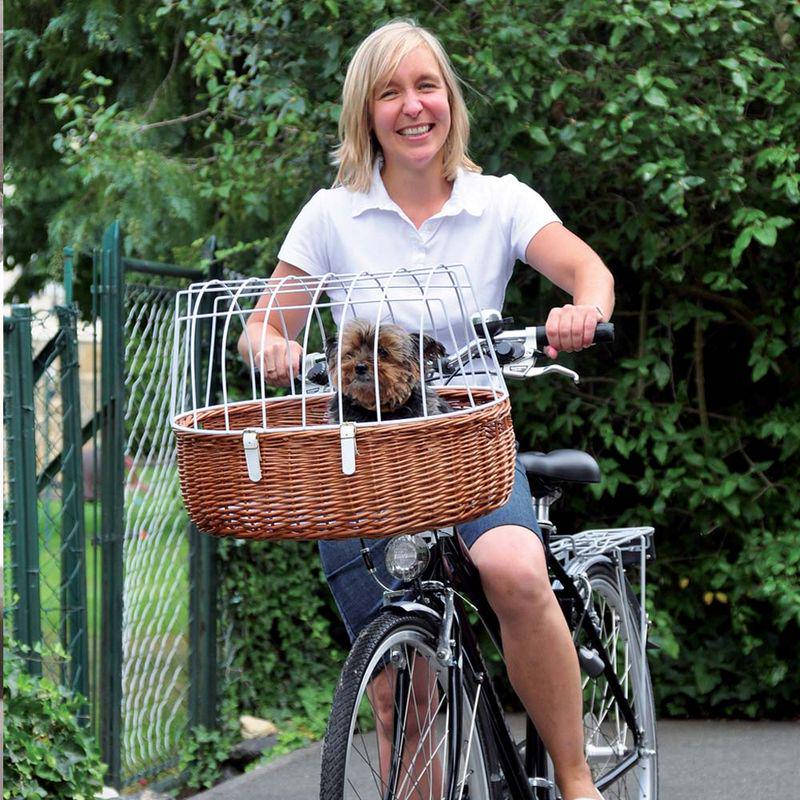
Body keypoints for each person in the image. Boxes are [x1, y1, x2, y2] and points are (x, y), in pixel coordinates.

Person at [238, 19, 614, 800]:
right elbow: (266, 324)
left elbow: (586, 269)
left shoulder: (498, 204)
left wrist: (582, 308)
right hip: (359, 456)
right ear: (365, 112)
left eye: (427, 86)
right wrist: (270, 345)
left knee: (513, 570)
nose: (413, 107)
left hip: (466, 442)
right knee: (395, 686)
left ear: (449, 100)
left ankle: (577, 782)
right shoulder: (331, 215)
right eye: (390, 92)